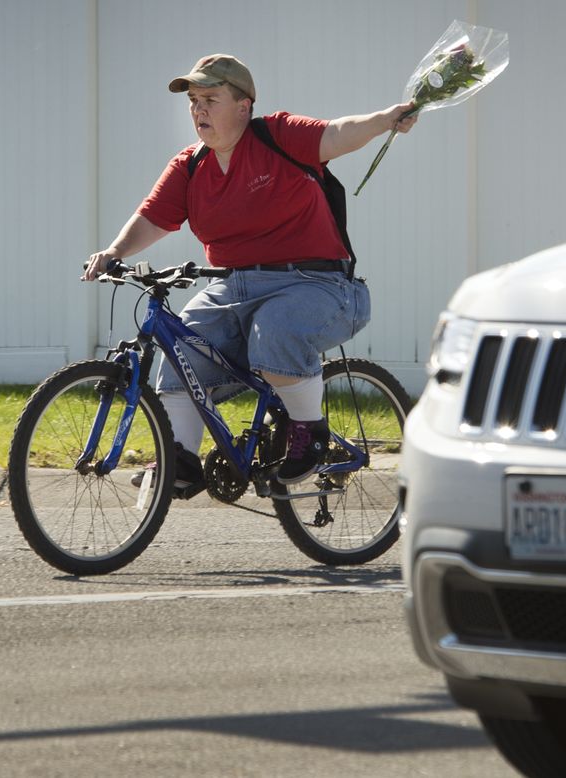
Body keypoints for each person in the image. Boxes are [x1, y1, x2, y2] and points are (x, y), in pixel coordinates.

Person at [83, 54, 417, 496]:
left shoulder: (277, 136)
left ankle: (311, 433)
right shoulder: (190, 166)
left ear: (244, 106)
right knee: (182, 351)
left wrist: (385, 120)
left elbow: (336, 134)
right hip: (232, 289)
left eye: (210, 99)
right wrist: (114, 252)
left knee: (275, 330)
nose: (199, 110)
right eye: (194, 101)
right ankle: (181, 458)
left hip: (318, 285)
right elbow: (154, 217)